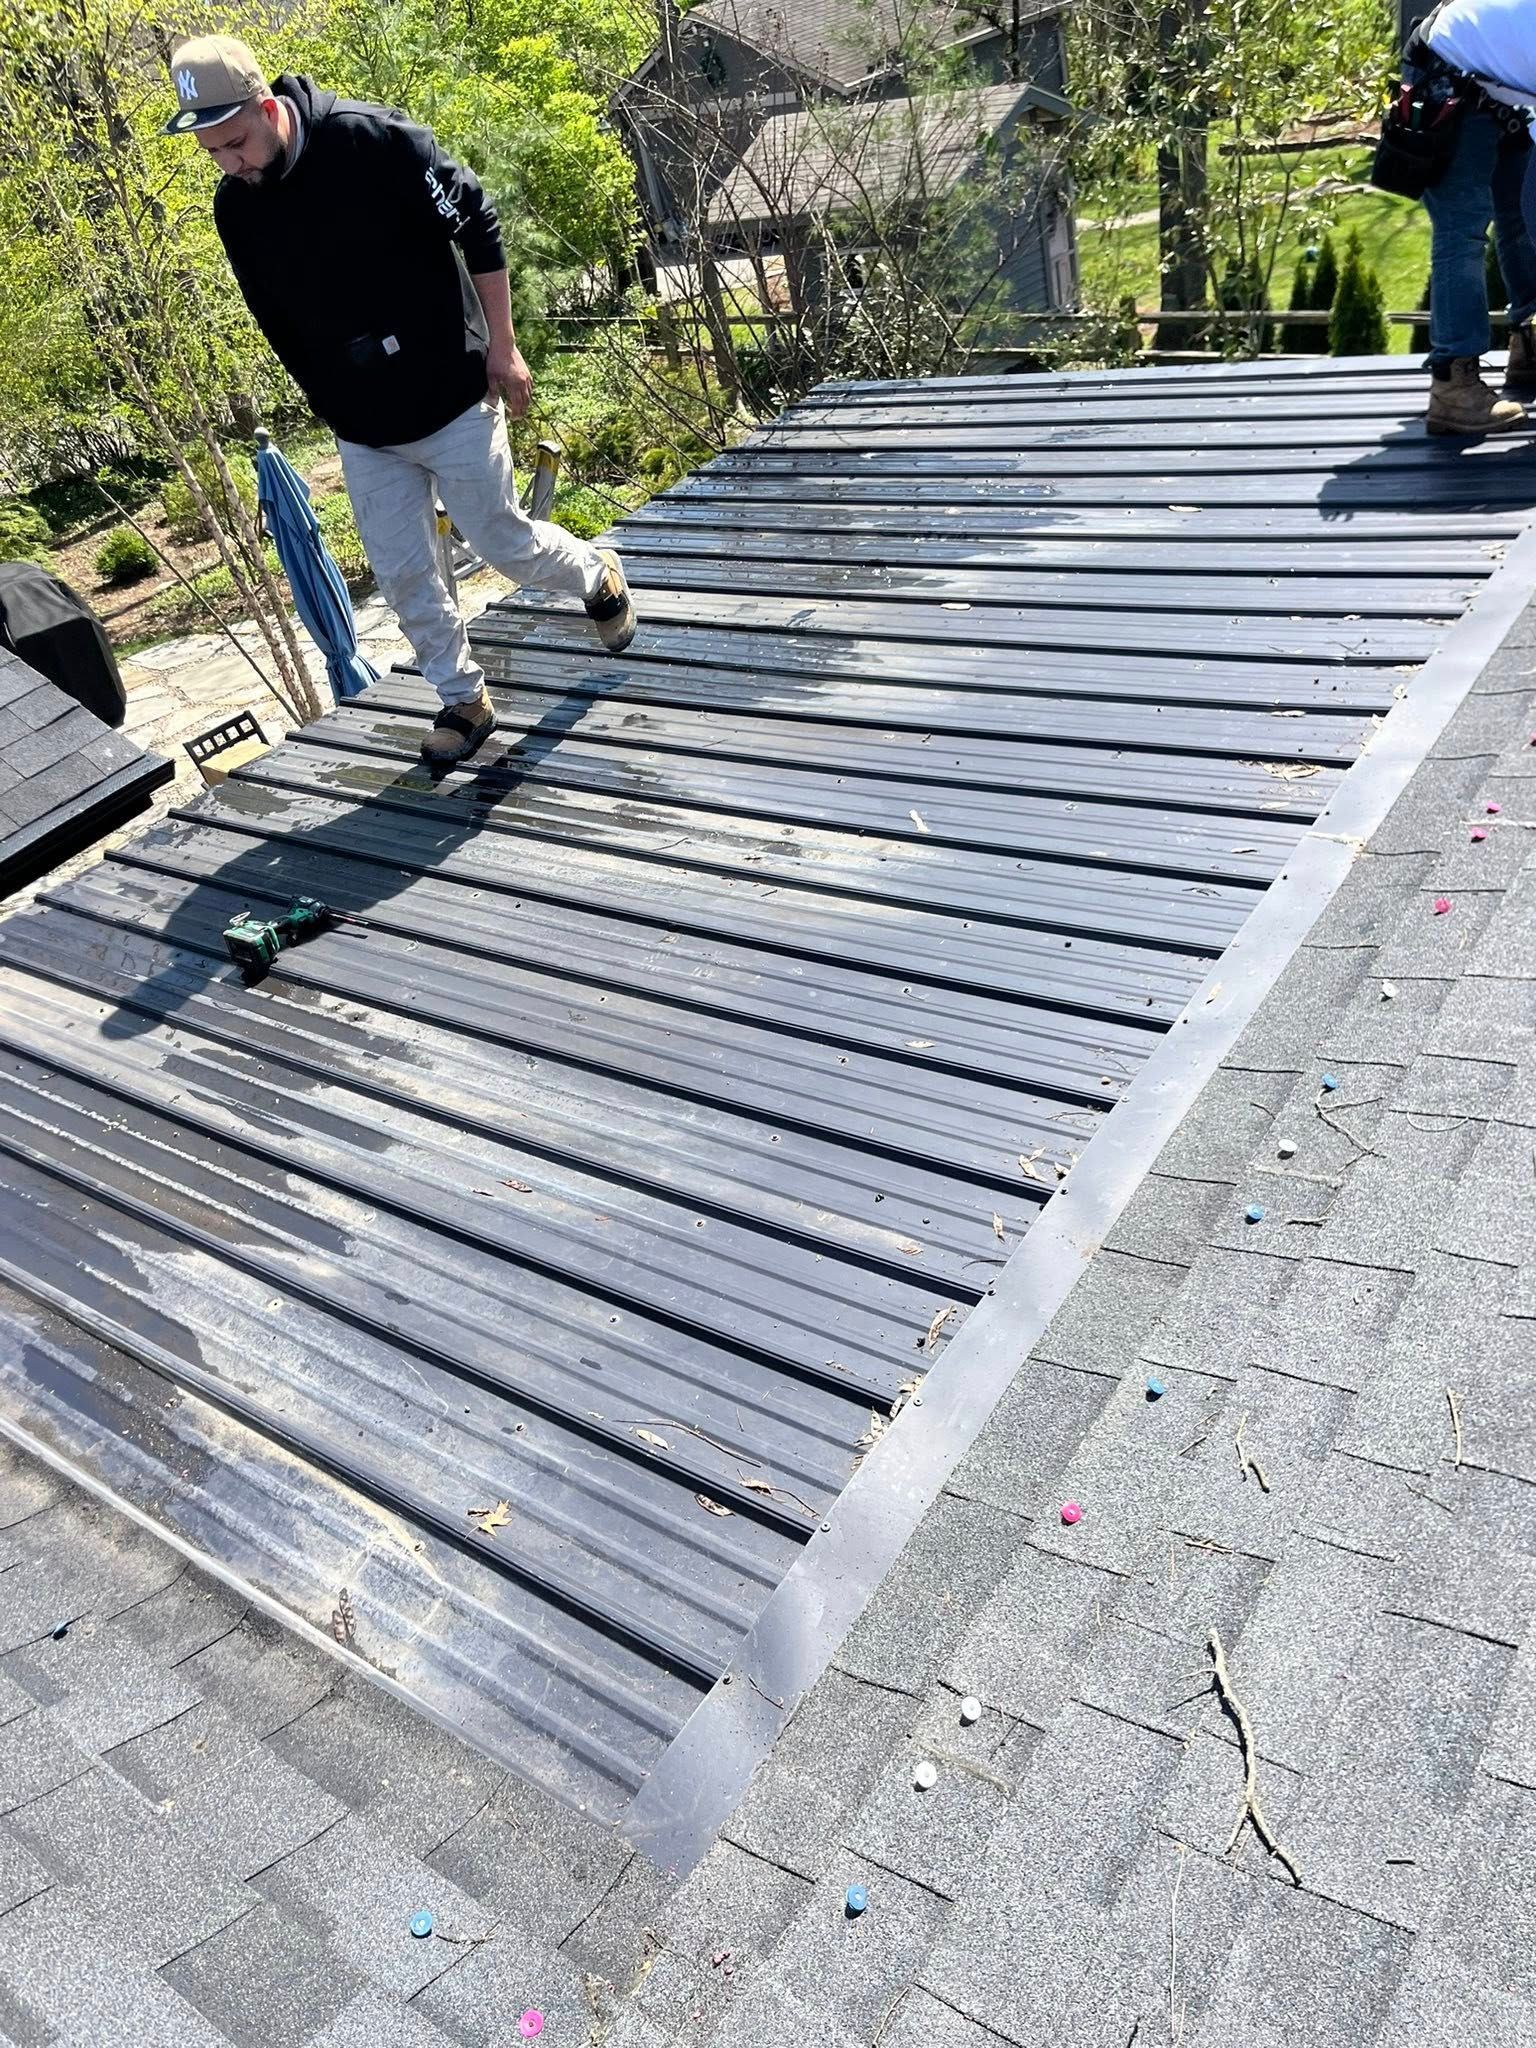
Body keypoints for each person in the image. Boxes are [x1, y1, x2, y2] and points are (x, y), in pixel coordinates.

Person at [163, 34, 637, 765]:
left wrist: (505, 349)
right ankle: (462, 700)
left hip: (451, 391)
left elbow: (476, 222)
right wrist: (326, 399)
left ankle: (594, 576)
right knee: (403, 572)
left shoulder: (372, 141)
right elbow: (273, 316)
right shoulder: (239, 210)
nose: (231, 165)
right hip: (362, 425)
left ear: (266, 108)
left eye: (236, 143)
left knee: (502, 541)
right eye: (214, 155)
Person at [1409, 0, 1536, 433]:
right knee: (1463, 229)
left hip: (1502, 80)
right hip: (1446, 71)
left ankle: (1530, 343)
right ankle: (1453, 384)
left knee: (1514, 212)